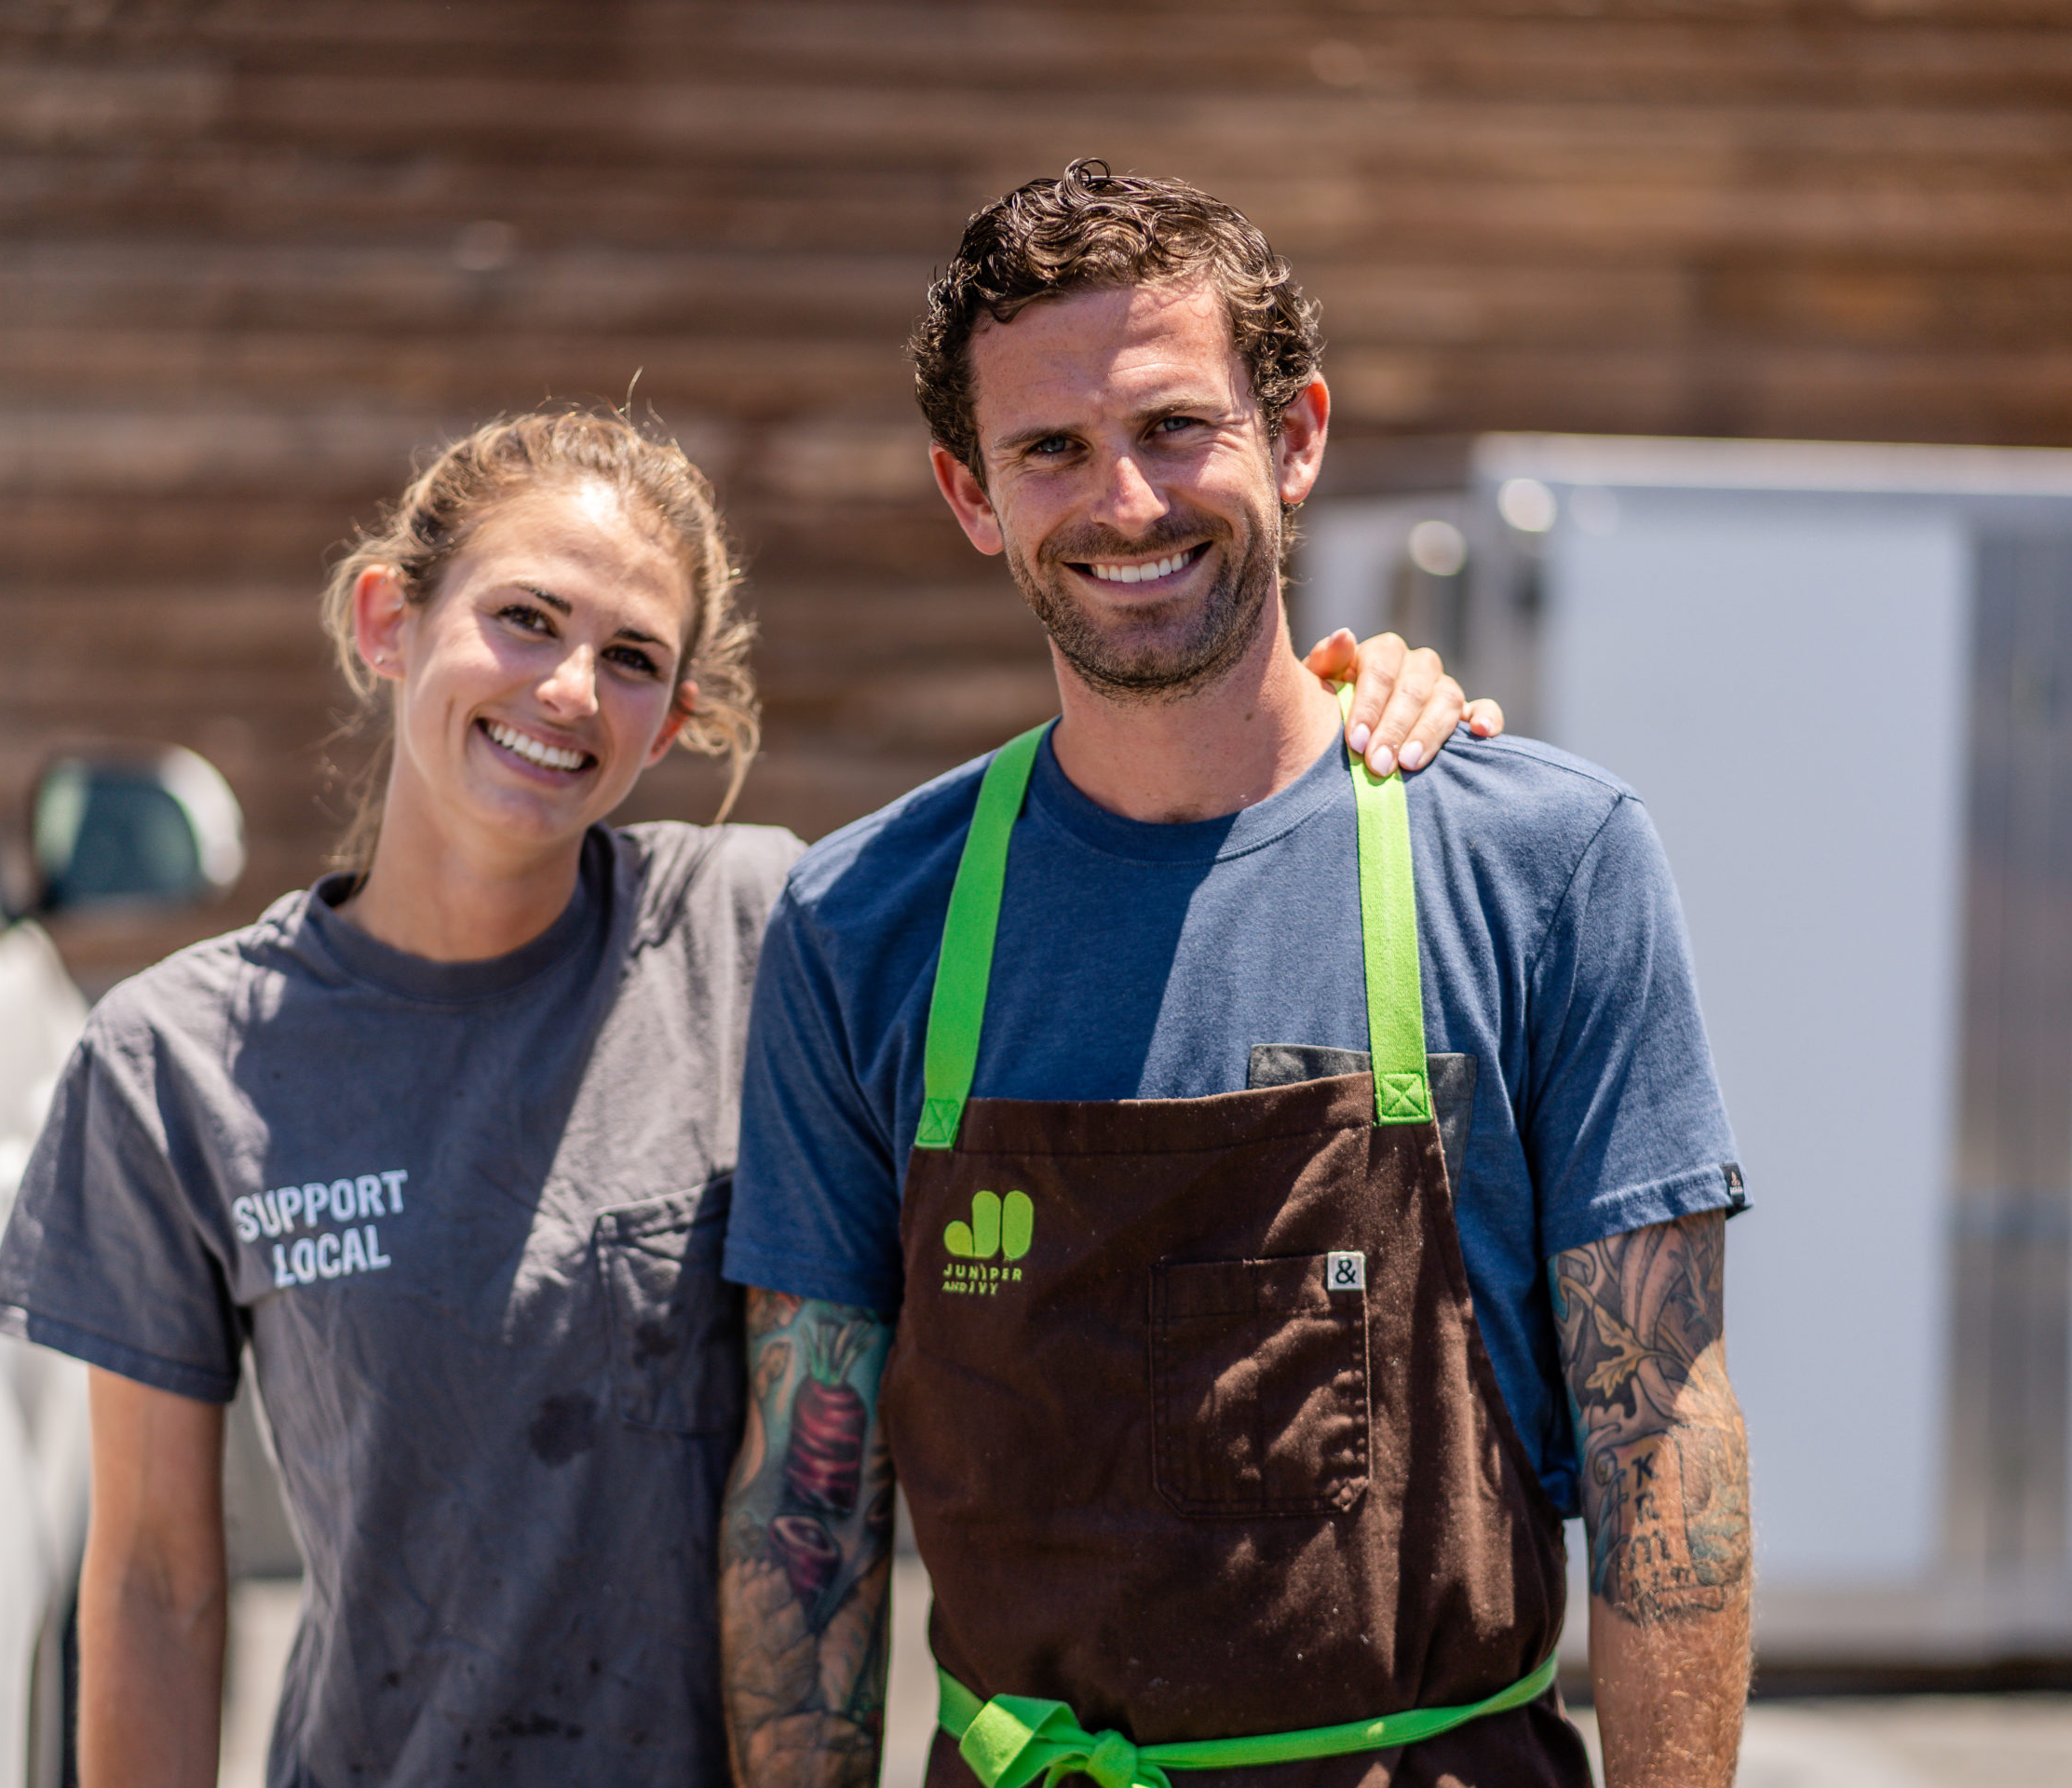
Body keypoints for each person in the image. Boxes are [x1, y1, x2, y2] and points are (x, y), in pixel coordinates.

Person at [0, 407, 1486, 1785]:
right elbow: (159, 1580)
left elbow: (1109, 847)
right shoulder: (178, 1059)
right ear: (389, 620)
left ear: (678, 715)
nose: (567, 689)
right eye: (523, 620)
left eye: (630, 657)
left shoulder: (770, 932)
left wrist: (1320, 708)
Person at [719, 165, 1752, 1788]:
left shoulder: (1545, 865)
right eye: (1050, 448)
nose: (1125, 501)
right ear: (970, 494)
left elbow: (1662, 1436)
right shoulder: (864, 921)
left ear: (1297, 436)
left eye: (1175, 427)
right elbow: (806, 1495)